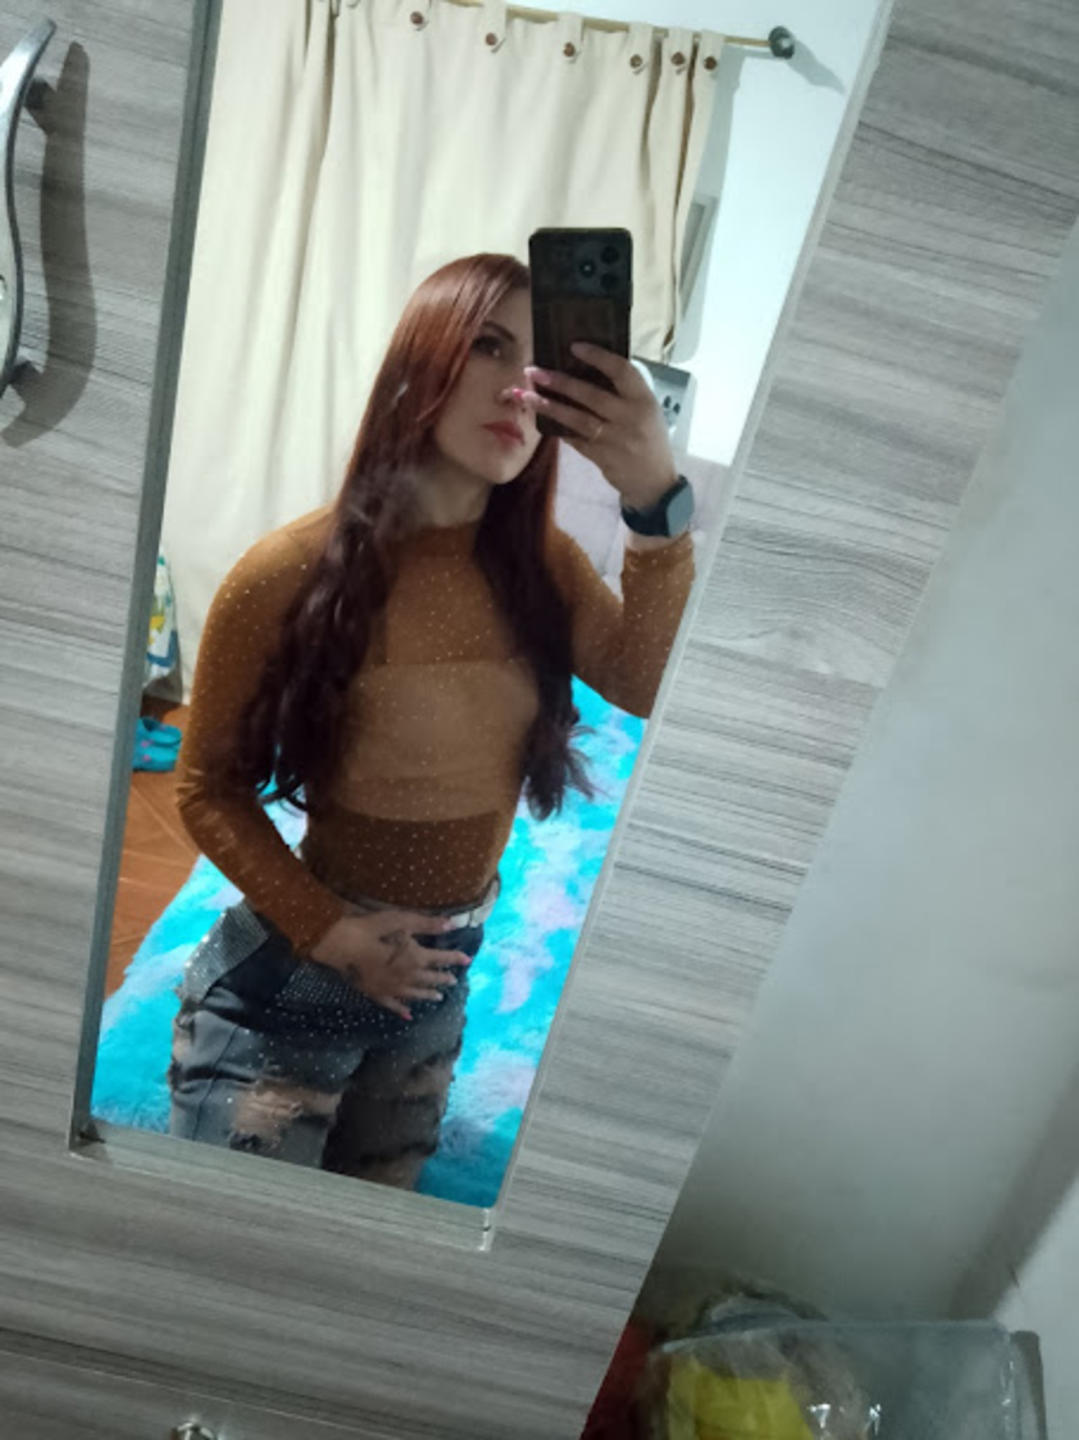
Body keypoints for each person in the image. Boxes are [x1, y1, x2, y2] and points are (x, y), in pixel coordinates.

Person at [168, 252, 694, 1189]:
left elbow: (650, 685)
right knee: (238, 1237)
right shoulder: (284, 572)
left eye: (542, 367)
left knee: (378, 1233)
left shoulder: (545, 567)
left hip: (433, 990)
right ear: (419, 362)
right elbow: (207, 788)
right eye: (489, 346)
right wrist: (333, 934)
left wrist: (655, 501)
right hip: (294, 980)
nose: (519, 387)